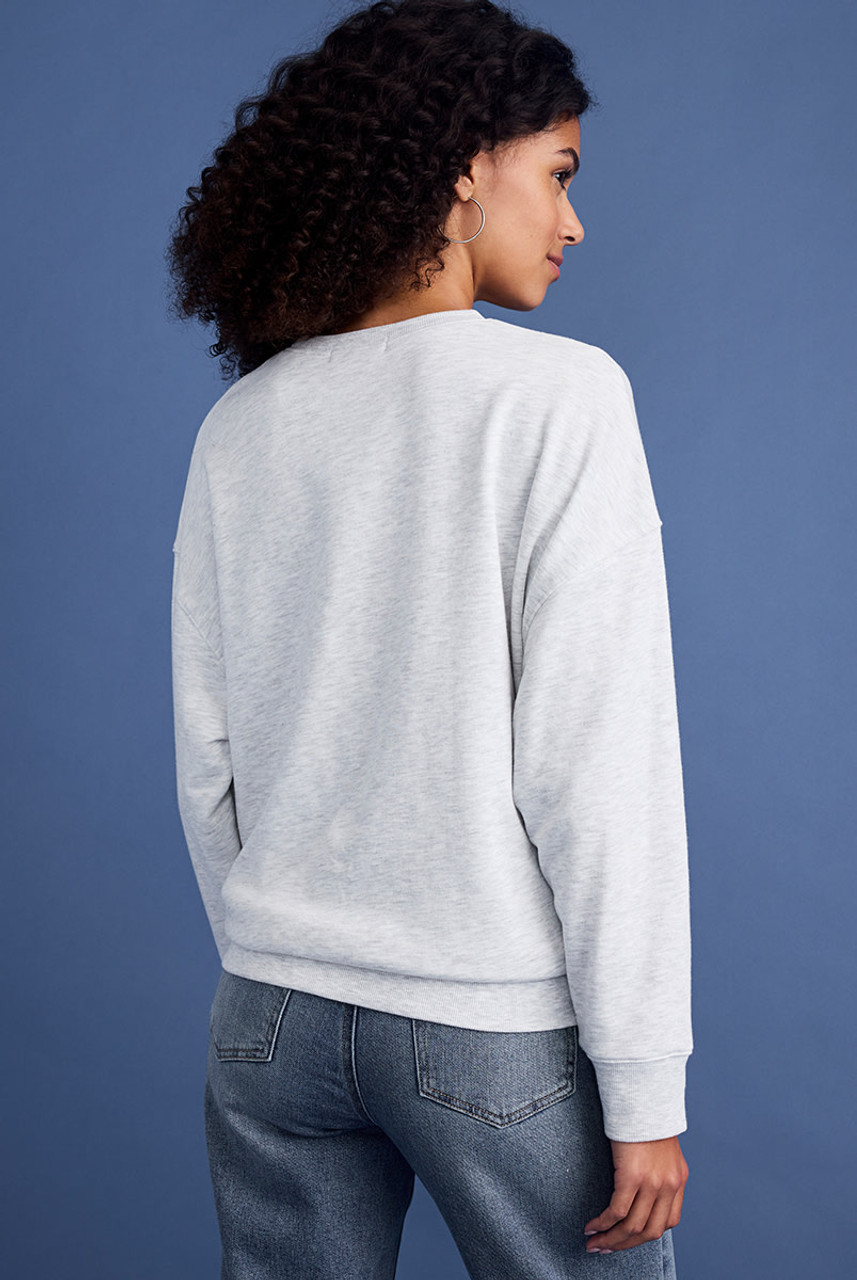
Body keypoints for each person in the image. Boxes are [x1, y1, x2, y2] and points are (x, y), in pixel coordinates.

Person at [166, 1, 693, 1276]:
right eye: (557, 173)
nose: (572, 220)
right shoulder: (558, 397)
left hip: (268, 1014)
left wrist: (275, 954)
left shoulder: (243, 423)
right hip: (482, 1020)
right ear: (465, 169)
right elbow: (595, 764)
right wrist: (642, 1085)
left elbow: (208, 754)